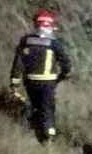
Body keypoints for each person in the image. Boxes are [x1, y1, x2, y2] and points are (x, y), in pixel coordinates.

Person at [10, 8, 72, 144]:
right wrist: (63, 75)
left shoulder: (26, 41)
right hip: (49, 82)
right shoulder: (54, 44)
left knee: (33, 105)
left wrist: (14, 83)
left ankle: (30, 130)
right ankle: (48, 136)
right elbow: (66, 63)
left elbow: (18, 64)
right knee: (47, 108)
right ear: (50, 26)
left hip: (30, 81)